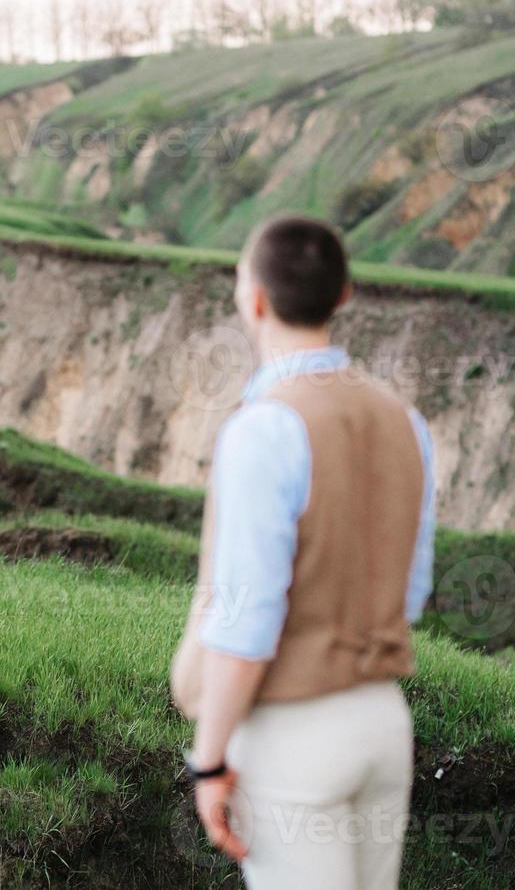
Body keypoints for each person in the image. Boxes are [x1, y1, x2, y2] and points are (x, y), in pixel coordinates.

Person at [168, 216, 436, 889]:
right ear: (343, 295)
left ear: (253, 300)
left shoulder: (265, 428)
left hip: (293, 734)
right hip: (382, 724)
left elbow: (247, 618)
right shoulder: (406, 421)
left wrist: (208, 759)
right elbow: (413, 590)